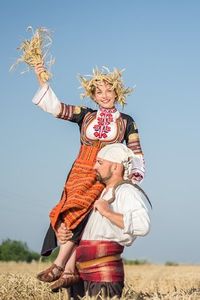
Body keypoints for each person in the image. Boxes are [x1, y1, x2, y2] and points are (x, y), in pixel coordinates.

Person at [32, 64, 146, 286]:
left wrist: (132, 179)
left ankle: (60, 266)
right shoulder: (85, 116)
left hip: (104, 174)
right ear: (93, 96)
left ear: (117, 92)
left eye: (108, 90)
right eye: (99, 92)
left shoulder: (127, 121)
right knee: (70, 213)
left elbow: (136, 152)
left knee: (87, 215)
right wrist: (41, 80)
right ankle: (69, 271)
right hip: (79, 172)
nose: (104, 96)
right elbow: (55, 108)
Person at [53, 143, 150, 298]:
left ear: (116, 167)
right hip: (80, 276)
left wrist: (107, 211)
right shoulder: (100, 193)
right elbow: (85, 230)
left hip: (104, 277)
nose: (94, 167)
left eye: (100, 162)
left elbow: (142, 225)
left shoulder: (127, 191)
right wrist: (65, 232)